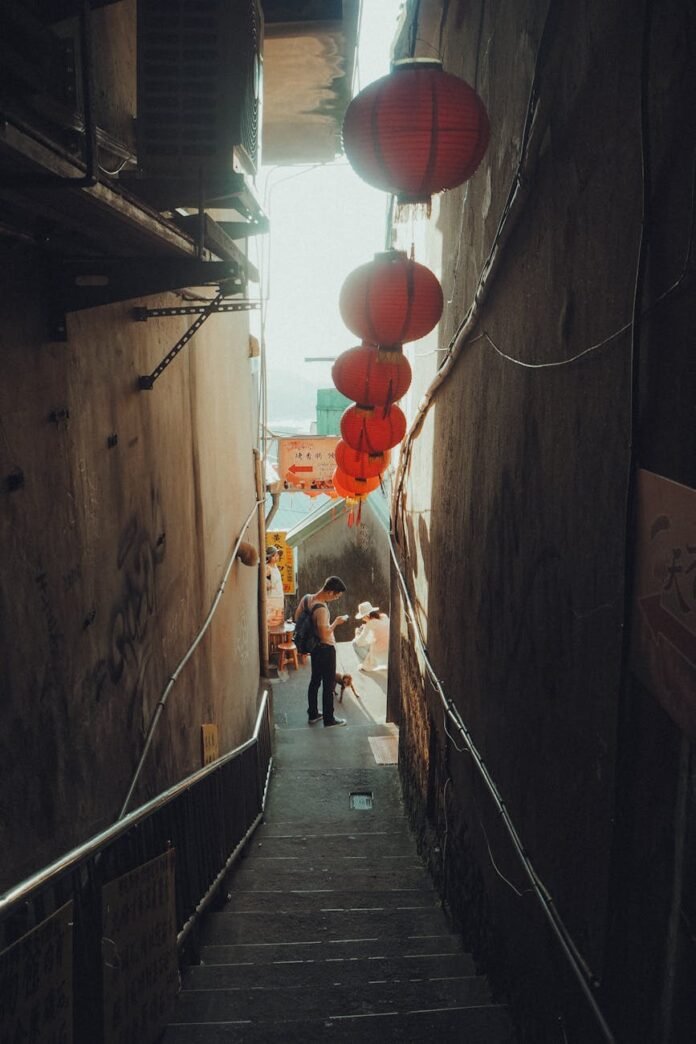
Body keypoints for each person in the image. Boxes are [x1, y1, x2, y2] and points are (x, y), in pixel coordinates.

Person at [295, 576, 349, 727]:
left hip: (314, 648)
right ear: (330, 592)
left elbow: (297, 617)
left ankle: (313, 714)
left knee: (314, 681)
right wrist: (336, 623)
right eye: (337, 595)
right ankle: (329, 719)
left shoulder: (306, 599)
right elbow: (325, 634)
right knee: (328, 684)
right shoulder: (322, 609)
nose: (337, 598)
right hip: (326, 649)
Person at [352, 601, 390, 671]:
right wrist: (366, 628)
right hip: (389, 649)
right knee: (369, 641)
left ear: (367, 615)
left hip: (379, 651)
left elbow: (359, 642)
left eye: (363, 617)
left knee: (354, 643)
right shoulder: (384, 617)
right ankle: (370, 661)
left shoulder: (370, 623)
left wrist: (357, 634)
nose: (362, 619)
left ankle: (365, 664)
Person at [265, 545, 284, 629]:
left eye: (277, 555)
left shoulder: (275, 567)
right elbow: (261, 580)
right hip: (271, 597)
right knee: (271, 620)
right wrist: (269, 584)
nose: (277, 557)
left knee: (279, 618)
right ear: (269, 557)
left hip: (279, 596)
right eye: (274, 555)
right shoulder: (267, 568)